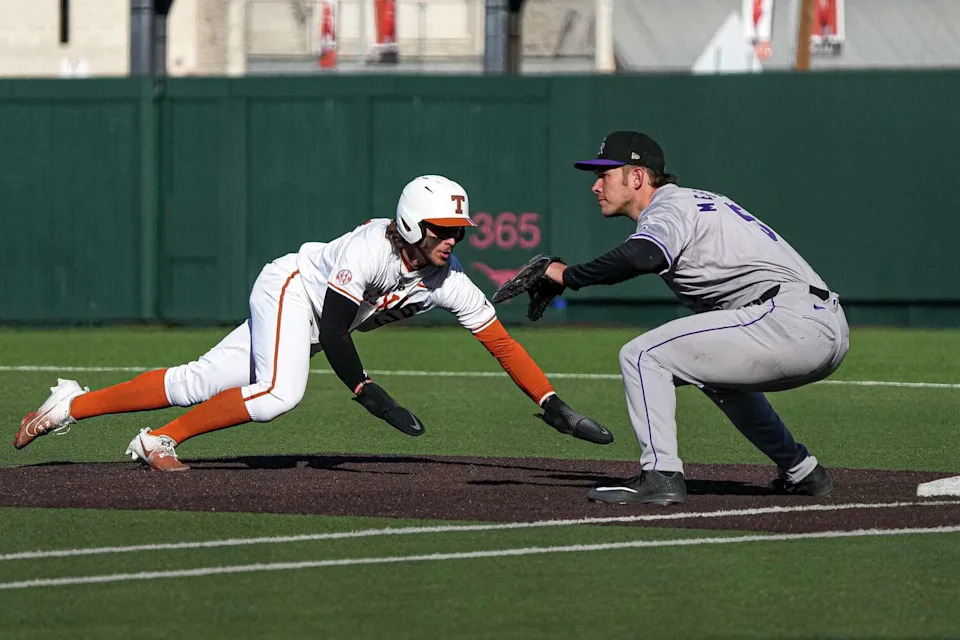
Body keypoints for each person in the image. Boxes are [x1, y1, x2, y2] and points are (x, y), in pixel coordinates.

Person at [15, 175, 612, 469]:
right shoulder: (365, 251)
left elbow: (501, 344)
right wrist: (368, 393)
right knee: (280, 393)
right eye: (443, 231)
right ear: (411, 226)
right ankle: (159, 440)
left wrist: (551, 401)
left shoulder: (448, 281)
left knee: (198, 381)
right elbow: (332, 332)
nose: (452, 241)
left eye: (458, 233)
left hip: (320, 316)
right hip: (293, 291)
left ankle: (69, 405)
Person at [539, 131, 849, 505]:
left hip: (788, 319)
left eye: (604, 173)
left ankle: (661, 475)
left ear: (636, 177)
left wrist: (567, 275)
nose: (595, 185)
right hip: (818, 323)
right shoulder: (693, 201)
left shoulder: (667, 207)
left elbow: (643, 256)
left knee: (643, 356)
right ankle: (801, 470)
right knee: (717, 378)